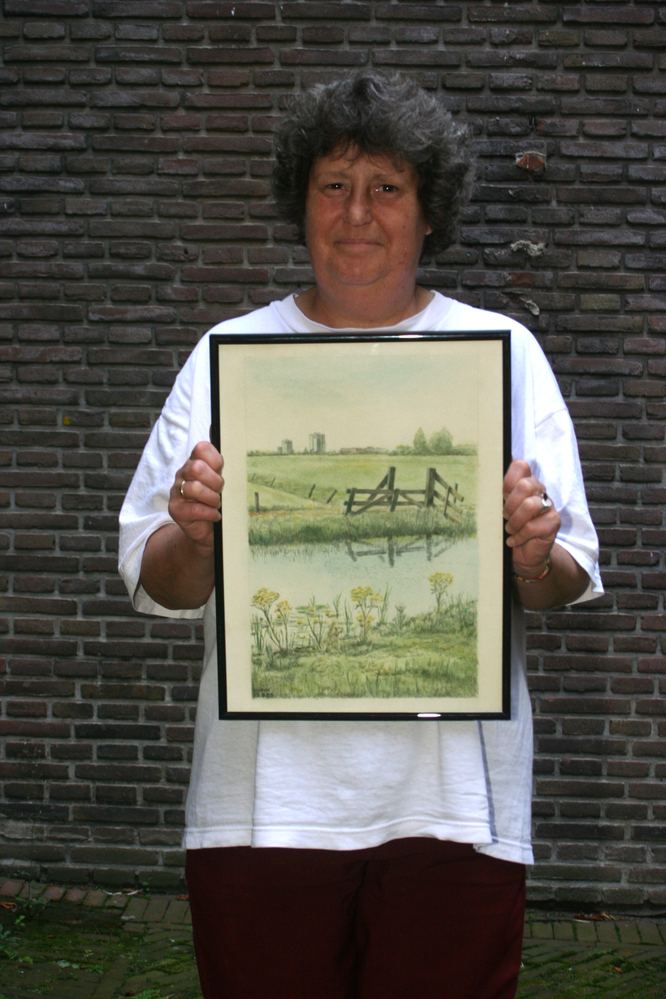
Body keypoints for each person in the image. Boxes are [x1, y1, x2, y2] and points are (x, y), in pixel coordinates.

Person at [119, 71, 602, 999]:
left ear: (430, 212)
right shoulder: (226, 357)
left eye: (386, 188)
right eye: (332, 185)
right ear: (300, 203)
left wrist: (533, 556)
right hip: (261, 809)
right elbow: (160, 581)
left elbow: (567, 574)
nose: (356, 214)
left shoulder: (503, 355)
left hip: (455, 809)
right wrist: (194, 534)